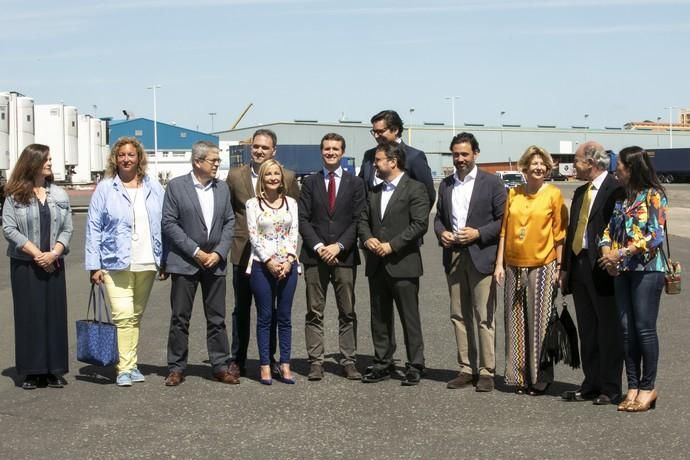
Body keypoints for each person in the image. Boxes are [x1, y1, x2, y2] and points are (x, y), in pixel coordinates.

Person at [85, 137, 165, 387]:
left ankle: (131, 364)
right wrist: (94, 264)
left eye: (131, 155)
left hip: (147, 260)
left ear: (139, 158)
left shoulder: (154, 187)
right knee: (123, 315)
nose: (126, 159)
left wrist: (166, 261)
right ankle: (125, 367)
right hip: (114, 261)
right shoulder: (106, 188)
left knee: (136, 316)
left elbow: (166, 222)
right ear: (115, 159)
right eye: (122, 155)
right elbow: (93, 227)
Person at [434, 133, 506, 392]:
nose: (460, 159)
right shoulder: (446, 185)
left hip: (481, 255)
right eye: (456, 154)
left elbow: (502, 221)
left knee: (484, 316)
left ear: (476, 153)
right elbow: (439, 217)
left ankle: (487, 371)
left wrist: (478, 233)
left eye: (465, 154)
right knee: (458, 315)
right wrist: (440, 231)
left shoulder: (492, 184)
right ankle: (466, 368)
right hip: (454, 255)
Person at [598, 146, 667, 412]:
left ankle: (648, 388)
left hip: (647, 270)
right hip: (622, 272)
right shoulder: (622, 198)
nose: (617, 170)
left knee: (644, 329)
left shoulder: (654, 196)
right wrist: (607, 253)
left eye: (620, 166)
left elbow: (655, 236)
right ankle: (633, 386)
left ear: (632, 167)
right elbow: (608, 230)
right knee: (626, 331)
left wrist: (623, 252)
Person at [161, 140, 236, 386]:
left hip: (215, 262)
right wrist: (195, 251)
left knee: (216, 318)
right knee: (180, 318)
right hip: (185, 262)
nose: (217, 164)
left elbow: (229, 222)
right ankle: (176, 367)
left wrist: (220, 252)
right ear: (197, 162)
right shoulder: (176, 187)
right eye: (213, 160)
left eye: (217, 160)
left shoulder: (222, 188)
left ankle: (220, 365)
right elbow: (169, 223)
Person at [226, 129, 300, 379]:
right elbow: (228, 211)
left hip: (279, 257)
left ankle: (271, 359)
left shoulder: (287, 176)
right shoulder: (236, 175)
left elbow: (291, 218)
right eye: (255, 146)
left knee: (273, 311)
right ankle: (238, 359)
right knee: (242, 310)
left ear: (274, 151)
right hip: (243, 253)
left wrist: (287, 257)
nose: (258, 151)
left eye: (264, 148)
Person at [494, 145, 567, 395]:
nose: (538, 168)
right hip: (514, 265)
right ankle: (519, 377)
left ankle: (540, 378)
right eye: (533, 164)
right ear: (524, 167)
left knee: (540, 324)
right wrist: (499, 265)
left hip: (543, 264)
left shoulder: (554, 194)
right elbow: (504, 230)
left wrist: (559, 268)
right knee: (515, 323)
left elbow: (560, 234)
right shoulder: (513, 193)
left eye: (542, 164)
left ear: (547, 168)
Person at [358, 141, 430, 386]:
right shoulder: (374, 191)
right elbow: (363, 220)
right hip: (376, 263)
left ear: (393, 161)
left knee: (409, 316)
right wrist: (368, 239)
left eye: (378, 160)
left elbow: (420, 224)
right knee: (379, 316)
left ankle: (415, 364)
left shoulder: (415, 188)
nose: (374, 164)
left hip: (403, 263)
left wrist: (392, 245)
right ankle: (382, 362)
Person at [2, 144, 73, 390]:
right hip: (26, 265)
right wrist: (36, 254)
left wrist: (53, 253)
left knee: (54, 315)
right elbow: (9, 228)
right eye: (47, 159)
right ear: (33, 162)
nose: (51, 163)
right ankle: (32, 371)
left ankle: (53, 370)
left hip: (54, 263)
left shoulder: (60, 195)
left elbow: (67, 228)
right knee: (29, 316)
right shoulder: (14, 195)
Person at [559, 142, 624, 405]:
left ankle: (610, 387)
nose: (574, 164)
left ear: (592, 161)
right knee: (587, 329)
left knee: (608, 329)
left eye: (576, 160)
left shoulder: (616, 190)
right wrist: (565, 268)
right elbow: (572, 231)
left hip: (603, 267)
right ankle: (591, 383)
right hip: (579, 265)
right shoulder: (579, 192)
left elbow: (619, 229)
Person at [298, 133, 366, 381]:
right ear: (321, 151)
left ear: (342, 152)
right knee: (314, 311)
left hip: (344, 256)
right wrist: (318, 246)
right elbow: (302, 219)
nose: (330, 152)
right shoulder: (309, 182)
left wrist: (338, 246)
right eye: (326, 148)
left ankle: (348, 360)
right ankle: (316, 361)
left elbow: (359, 219)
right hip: (314, 257)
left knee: (347, 310)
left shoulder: (355, 183)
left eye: (335, 148)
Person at [246, 159, 299, 385]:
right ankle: (265, 365)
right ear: (262, 178)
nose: (273, 178)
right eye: (268, 174)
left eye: (277, 173)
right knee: (265, 317)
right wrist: (269, 261)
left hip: (288, 265)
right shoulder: (252, 204)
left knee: (285, 317)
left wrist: (288, 260)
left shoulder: (291, 203)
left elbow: (294, 232)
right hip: (262, 265)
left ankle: (285, 364)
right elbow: (253, 235)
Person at [359, 109, 435, 206]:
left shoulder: (414, 157)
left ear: (395, 130)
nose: (377, 136)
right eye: (374, 132)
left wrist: (417, 219)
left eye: (380, 131)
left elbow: (428, 194)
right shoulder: (369, 155)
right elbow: (361, 189)